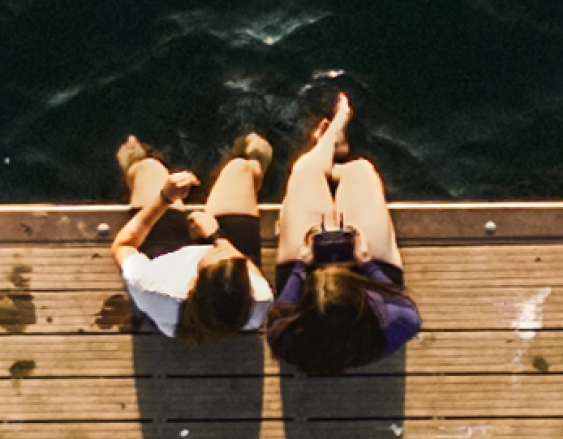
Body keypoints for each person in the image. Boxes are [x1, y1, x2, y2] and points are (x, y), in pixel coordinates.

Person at [264, 89, 422, 377]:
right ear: (361, 300)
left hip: (315, 276)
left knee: (306, 172)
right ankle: (333, 152)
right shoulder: (394, 322)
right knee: (360, 171)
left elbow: (284, 304)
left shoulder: (286, 333)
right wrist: (366, 264)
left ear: (304, 307)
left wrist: (302, 264)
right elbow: (403, 305)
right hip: (370, 278)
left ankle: (326, 148)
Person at [108, 130, 278, 343]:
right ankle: (253, 165)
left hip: (165, 258)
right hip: (216, 272)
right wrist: (217, 236)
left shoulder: (153, 288)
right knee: (241, 169)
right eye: (236, 261)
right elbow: (241, 265)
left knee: (147, 169)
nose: (222, 249)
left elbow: (124, 245)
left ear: (192, 284)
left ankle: (136, 166)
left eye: (217, 252)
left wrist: (164, 199)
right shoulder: (258, 299)